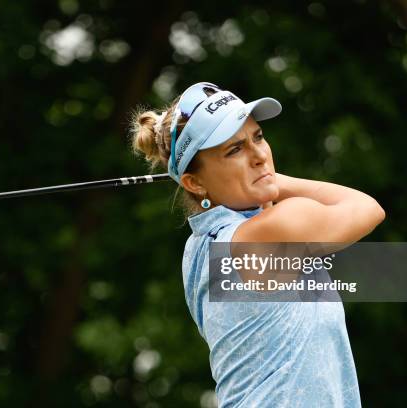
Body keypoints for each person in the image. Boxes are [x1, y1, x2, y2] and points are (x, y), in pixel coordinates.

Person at [130, 82, 385, 407]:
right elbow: (366, 208)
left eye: (258, 137)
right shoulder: (272, 232)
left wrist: (261, 181)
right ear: (194, 182)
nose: (259, 155)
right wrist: (273, 181)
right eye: (234, 150)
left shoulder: (201, 247)